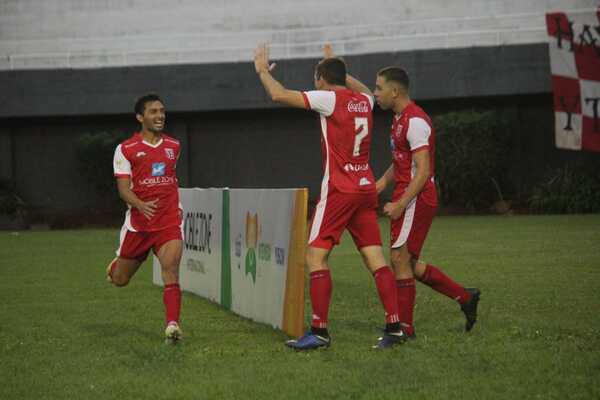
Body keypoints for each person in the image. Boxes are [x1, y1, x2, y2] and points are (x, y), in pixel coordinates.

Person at [253, 44, 406, 350]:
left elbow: (279, 95)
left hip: (340, 190)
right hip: (364, 188)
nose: (315, 83)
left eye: (317, 77)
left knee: (314, 257)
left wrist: (260, 70)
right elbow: (362, 89)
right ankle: (394, 327)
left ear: (322, 78)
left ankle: (319, 332)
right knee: (374, 257)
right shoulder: (363, 100)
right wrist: (337, 68)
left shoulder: (328, 98)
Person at [372, 66, 481, 337]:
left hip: (416, 196)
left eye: (378, 88)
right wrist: (383, 183)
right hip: (409, 195)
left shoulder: (415, 121)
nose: (375, 93)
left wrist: (400, 203)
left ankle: (404, 330)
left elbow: (423, 171)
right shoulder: (399, 119)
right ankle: (465, 297)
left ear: (394, 91)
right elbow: (402, 160)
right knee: (407, 263)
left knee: (399, 259)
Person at [106, 93, 184, 344]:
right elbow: (123, 189)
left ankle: (172, 326)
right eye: (153, 111)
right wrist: (140, 204)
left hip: (169, 220)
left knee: (170, 269)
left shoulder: (174, 146)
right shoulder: (126, 149)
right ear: (140, 117)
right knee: (119, 280)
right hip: (139, 225)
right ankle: (116, 265)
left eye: (162, 111)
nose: (160, 115)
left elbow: (171, 179)